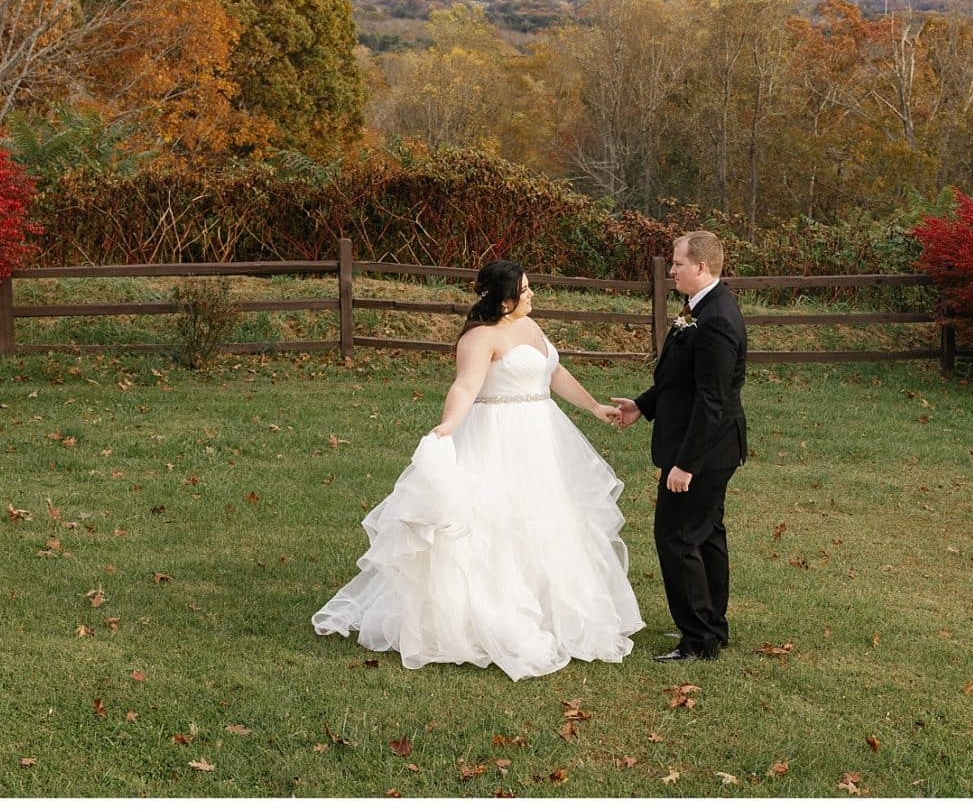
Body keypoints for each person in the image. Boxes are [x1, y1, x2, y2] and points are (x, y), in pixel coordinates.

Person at [311, 257, 644, 680]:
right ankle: (490, 615)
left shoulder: (532, 327)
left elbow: (553, 371)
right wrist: (448, 426)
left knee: (550, 522)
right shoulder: (479, 338)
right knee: (496, 524)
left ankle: (556, 613)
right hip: (497, 436)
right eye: (524, 291)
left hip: (542, 436)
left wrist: (594, 406)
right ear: (503, 302)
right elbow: (465, 386)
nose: (531, 295)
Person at [611, 228, 747, 662]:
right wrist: (642, 405)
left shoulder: (716, 319)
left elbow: (713, 399)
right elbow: (681, 382)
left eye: (677, 264)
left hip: (702, 450)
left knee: (678, 538)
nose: (671, 271)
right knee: (705, 536)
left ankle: (697, 639)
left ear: (701, 267)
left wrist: (686, 464)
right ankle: (711, 628)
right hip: (706, 445)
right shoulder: (698, 308)